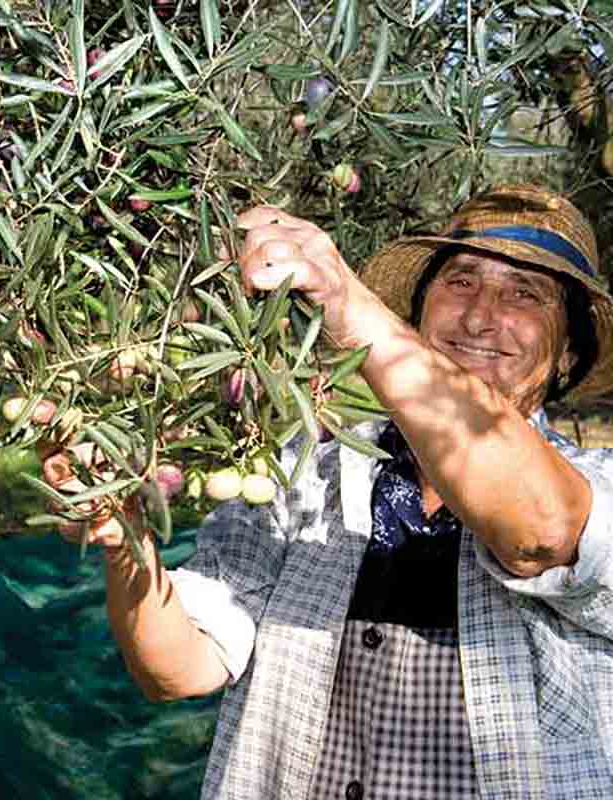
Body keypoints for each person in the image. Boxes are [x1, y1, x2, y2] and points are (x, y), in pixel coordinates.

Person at [41, 183, 613, 799]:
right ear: (419, 315)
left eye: (524, 293)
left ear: (566, 353)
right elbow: (181, 669)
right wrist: (127, 539)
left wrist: (345, 301)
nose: (479, 316)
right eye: (461, 282)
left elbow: (541, 533)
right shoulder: (304, 471)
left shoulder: (597, 482)